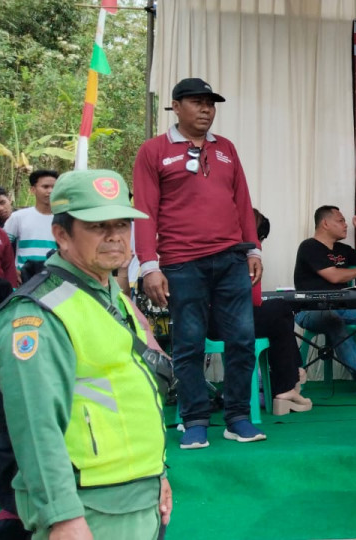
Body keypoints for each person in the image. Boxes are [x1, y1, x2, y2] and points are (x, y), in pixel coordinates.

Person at [0, 169, 172, 539]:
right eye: (97, 226)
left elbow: (131, 393)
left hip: (137, 496)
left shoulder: (113, 297)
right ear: (61, 235)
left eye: (122, 224)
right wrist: (62, 517)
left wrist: (159, 475)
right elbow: (35, 426)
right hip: (87, 509)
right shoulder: (37, 314)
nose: (114, 236)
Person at [133, 77, 266, 448]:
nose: (206, 109)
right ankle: (194, 419)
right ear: (176, 106)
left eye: (211, 103)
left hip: (231, 259)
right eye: (197, 102)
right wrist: (148, 265)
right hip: (180, 263)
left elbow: (242, 201)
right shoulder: (154, 151)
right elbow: (144, 210)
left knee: (242, 339)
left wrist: (253, 249)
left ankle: (238, 416)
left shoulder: (226, 149)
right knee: (189, 344)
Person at [293, 205, 356, 390]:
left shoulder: (342, 249)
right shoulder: (309, 247)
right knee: (332, 319)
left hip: (344, 307)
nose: (345, 225)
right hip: (311, 310)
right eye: (341, 221)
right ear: (325, 223)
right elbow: (333, 276)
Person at [250, 208, 312, 415]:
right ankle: (289, 383)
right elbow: (253, 300)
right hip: (228, 319)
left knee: (278, 317)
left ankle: (291, 378)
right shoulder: (245, 257)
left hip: (205, 320)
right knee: (280, 308)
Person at [4, 169, 58, 273]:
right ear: (33, 189)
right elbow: (2, 246)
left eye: (54, 187)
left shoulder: (64, 218)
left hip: (55, 277)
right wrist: (12, 270)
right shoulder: (18, 217)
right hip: (24, 278)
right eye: (45, 187)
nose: (50, 191)